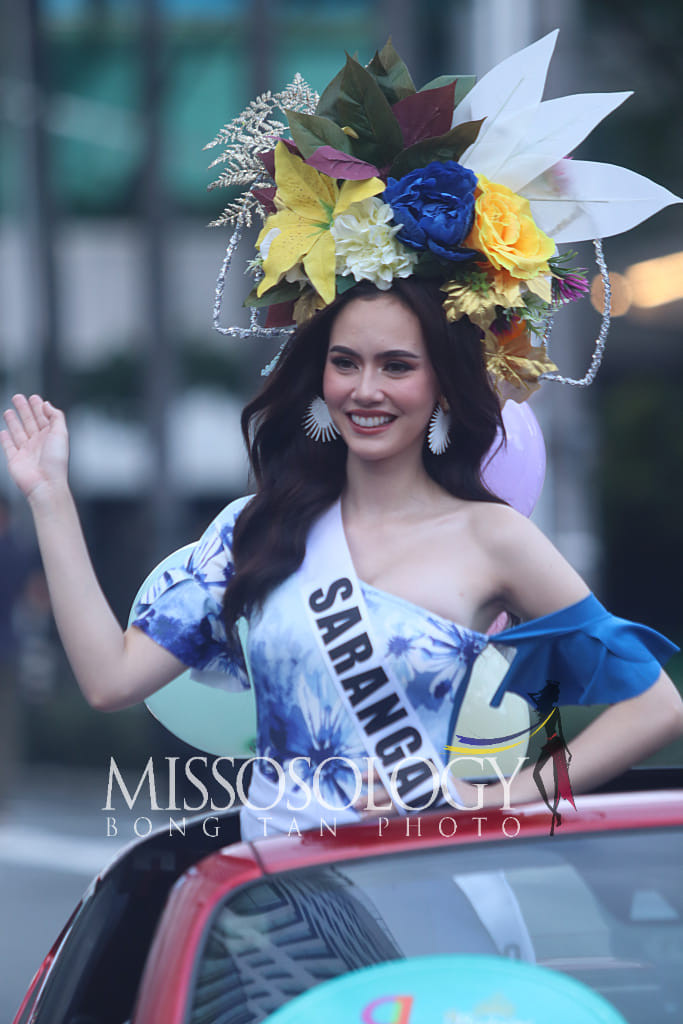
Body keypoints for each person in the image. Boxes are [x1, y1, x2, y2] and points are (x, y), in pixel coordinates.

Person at [2, 33, 682, 838]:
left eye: (397, 366)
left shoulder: (492, 537)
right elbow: (111, 680)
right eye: (344, 363)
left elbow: (653, 705)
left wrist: (492, 796)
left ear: (441, 384)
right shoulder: (258, 527)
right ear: (316, 374)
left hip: (421, 888)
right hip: (279, 904)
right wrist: (49, 499)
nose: (365, 390)